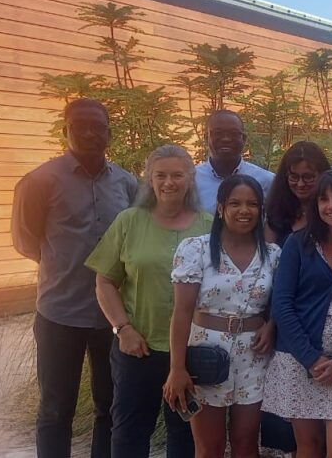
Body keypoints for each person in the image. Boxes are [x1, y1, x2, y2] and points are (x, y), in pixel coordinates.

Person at [11, 98, 137, 458]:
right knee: (55, 409)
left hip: (112, 317)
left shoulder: (128, 184)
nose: (90, 133)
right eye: (80, 126)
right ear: (66, 130)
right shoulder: (39, 182)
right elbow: (26, 241)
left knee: (109, 406)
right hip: (59, 314)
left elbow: (134, 239)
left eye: (98, 127)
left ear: (109, 133)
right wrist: (62, 265)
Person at [86, 144, 212, 458]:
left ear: (190, 179)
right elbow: (104, 281)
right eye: (161, 175)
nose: (169, 182)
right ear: (149, 180)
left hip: (192, 350)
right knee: (129, 433)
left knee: (185, 436)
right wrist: (123, 329)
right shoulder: (129, 221)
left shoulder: (209, 226)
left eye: (177, 175)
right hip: (138, 348)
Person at [163, 175, 280, 457]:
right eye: (235, 203)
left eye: (252, 204)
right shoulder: (196, 249)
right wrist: (177, 368)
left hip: (254, 355)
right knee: (209, 447)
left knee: (246, 443)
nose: (244, 210)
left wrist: (272, 325)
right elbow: (182, 312)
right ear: (220, 208)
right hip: (206, 355)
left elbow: (281, 302)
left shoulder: (273, 254)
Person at [263, 172, 332, 458]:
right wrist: (310, 358)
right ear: (316, 206)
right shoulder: (297, 244)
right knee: (308, 447)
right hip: (299, 360)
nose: (331, 205)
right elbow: (282, 304)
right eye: (324, 199)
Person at [195, 109, 274, 213]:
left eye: (233, 133)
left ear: (244, 139)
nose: (226, 139)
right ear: (206, 138)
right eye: (218, 133)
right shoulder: (191, 180)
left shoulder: (267, 181)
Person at [266, 140, 332, 246]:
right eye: (294, 177)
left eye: (308, 177)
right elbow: (268, 253)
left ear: (322, 175)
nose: (300, 184)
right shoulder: (276, 213)